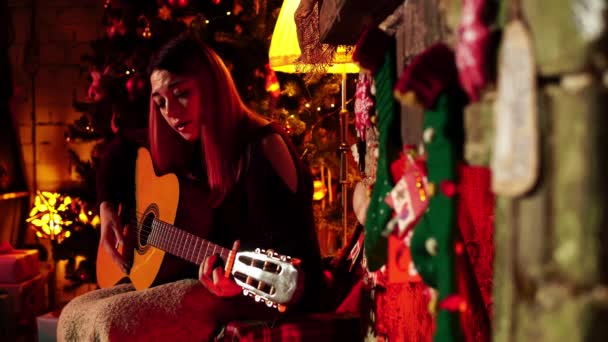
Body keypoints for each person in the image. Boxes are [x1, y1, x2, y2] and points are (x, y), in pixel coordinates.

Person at [58, 32, 325, 341]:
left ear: (211, 88)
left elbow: (290, 254)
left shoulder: (264, 146)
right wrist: (106, 208)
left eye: (181, 93)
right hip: (209, 282)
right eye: (160, 103)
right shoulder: (187, 141)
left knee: (111, 319)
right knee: (75, 311)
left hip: (268, 293)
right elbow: (118, 151)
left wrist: (232, 282)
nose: (170, 112)